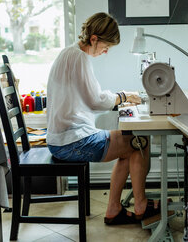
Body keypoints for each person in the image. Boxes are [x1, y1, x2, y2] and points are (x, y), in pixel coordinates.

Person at [46, 12, 160, 225]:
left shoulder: (70, 54)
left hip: (63, 138)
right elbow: (95, 100)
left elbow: (89, 98)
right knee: (139, 143)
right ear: (94, 39)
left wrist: (119, 98)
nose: (106, 52)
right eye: (106, 46)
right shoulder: (79, 57)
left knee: (130, 144)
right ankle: (141, 205)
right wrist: (123, 96)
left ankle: (115, 209)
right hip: (70, 142)